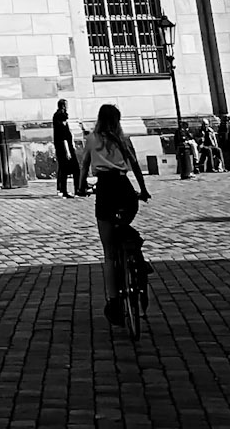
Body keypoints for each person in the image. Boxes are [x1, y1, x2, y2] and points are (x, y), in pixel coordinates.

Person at [81, 104, 151, 327]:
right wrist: (144, 190)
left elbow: (84, 167)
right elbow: (137, 167)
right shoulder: (124, 140)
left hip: (106, 192)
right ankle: (136, 256)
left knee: (110, 254)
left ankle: (113, 303)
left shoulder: (92, 139)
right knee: (124, 224)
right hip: (125, 190)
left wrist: (81, 188)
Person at [53, 100, 85, 198]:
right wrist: (67, 150)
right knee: (74, 169)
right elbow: (63, 136)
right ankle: (75, 189)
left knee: (64, 169)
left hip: (64, 146)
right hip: (64, 148)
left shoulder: (59, 116)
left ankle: (63, 190)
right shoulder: (60, 117)